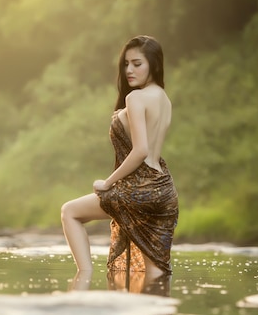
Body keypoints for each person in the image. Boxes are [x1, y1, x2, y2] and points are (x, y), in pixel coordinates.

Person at [61, 35, 179, 280]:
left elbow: (140, 150)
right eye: (126, 64)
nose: (129, 70)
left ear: (154, 64)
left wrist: (108, 183)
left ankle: (82, 283)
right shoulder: (164, 100)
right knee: (155, 271)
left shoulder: (135, 98)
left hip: (139, 190)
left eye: (137, 64)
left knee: (69, 212)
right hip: (164, 192)